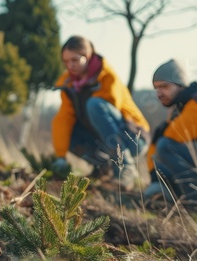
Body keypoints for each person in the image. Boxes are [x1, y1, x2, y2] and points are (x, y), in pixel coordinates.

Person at [50, 36, 150, 191]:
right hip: (104, 140)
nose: (70, 65)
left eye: (75, 60)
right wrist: (61, 157)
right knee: (65, 128)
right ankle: (103, 167)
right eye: (66, 61)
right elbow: (63, 119)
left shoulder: (106, 76)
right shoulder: (69, 85)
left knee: (94, 105)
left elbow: (110, 110)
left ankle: (125, 167)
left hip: (133, 137)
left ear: (87, 56)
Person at [143, 59, 197, 202]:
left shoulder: (195, 100)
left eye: (164, 87)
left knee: (166, 146)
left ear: (180, 85)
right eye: (156, 88)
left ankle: (194, 201)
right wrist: (155, 177)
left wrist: (162, 134)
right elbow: (154, 149)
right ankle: (170, 197)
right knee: (153, 190)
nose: (159, 93)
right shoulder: (178, 109)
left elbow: (177, 135)